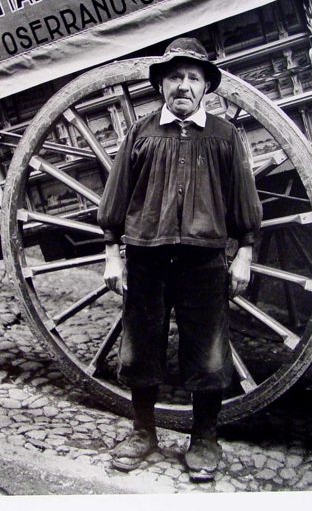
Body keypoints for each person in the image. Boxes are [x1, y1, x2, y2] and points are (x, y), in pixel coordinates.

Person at [97, 37, 262, 481]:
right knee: (141, 347)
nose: (183, 85)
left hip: (204, 260)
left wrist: (243, 252)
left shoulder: (225, 136)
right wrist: (113, 253)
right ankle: (143, 431)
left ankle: (204, 439)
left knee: (207, 351)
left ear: (206, 85)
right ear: (162, 85)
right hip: (147, 257)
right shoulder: (142, 132)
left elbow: (243, 200)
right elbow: (115, 197)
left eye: (192, 77)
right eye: (174, 77)